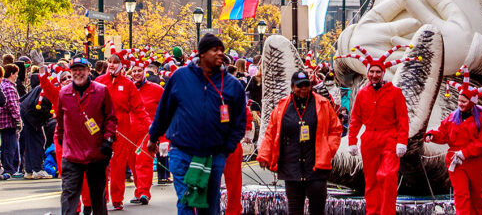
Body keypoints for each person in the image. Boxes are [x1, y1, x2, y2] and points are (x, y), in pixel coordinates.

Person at [148, 33, 246, 215]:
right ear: (202, 54)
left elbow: (239, 123)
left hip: (214, 155)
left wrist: (225, 149)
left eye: (221, 50)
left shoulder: (233, 85)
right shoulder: (180, 77)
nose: (220, 54)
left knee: (208, 206)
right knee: (186, 202)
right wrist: (153, 137)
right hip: (182, 152)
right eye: (214, 50)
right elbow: (164, 111)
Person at [257, 70, 342, 215]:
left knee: (317, 209)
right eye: (299, 86)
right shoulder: (282, 106)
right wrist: (264, 155)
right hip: (291, 166)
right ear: (292, 86)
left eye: (306, 85)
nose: (303, 89)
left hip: (317, 167)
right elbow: (271, 132)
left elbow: (335, 129)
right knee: (295, 210)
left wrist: (329, 150)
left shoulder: (322, 103)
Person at [341, 45, 411, 215]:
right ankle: (372, 212)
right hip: (370, 140)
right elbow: (355, 119)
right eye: (372, 72)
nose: (374, 75)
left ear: (383, 73)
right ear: (367, 73)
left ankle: (387, 212)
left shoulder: (395, 92)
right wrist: (352, 141)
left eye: (378, 72)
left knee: (387, 177)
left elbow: (403, 119)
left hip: (389, 138)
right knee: (371, 180)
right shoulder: (363, 94)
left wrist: (402, 141)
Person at [425, 67, 482, 215]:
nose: (460, 104)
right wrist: (432, 135)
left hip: (476, 161)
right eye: (459, 100)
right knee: (461, 195)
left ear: (472, 102)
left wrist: (466, 152)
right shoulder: (452, 117)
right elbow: (443, 134)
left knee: (478, 195)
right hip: (455, 161)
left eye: (464, 101)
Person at [55, 57, 117, 215]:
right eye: (74, 70)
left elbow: (110, 118)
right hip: (72, 155)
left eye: (81, 69)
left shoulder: (101, 90)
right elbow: (60, 121)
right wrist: (62, 141)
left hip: (96, 153)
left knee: (98, 196)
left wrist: (108, 140)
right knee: (69, 195)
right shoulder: (64, 93)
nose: (78, 73)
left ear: (88, 70)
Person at [96, 52, 150, 211]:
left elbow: (139, 109)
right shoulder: (99, 82)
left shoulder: (128, 84)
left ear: (121, 64)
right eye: (109, 61)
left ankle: (117, 199)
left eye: (115, 62)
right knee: (100, 166)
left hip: (122, 132)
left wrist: (151, 128)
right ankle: (102, 196)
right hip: (101, 131)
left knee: (118, 166)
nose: (112, 64)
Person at [128, 62, 164, 205]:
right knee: (133, 163)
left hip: (148, 133)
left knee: (143, 162)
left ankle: (144, 192)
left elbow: (164, 112)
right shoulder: (127, 88)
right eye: (134, 71)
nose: (136, 73)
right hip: (129, 133)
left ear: (144, 72)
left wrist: (162, 136)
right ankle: (139, 190)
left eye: (139, 70)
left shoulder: (156, 89)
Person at [0, 63, 22, 177]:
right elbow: (12, 105)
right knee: (10, 147)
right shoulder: (9, 87)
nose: (17, 76)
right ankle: (10, 168)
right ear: (11, 74)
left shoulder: (2, 85)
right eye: (16, 74)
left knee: (5, 146)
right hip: (9, 121)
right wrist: (18, 119)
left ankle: (7, 167)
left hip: (1, 120)